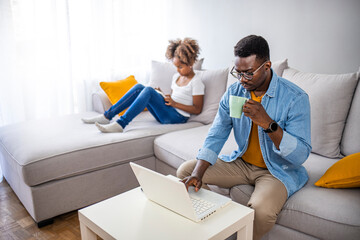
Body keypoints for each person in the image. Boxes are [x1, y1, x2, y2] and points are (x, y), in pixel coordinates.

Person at [177, 35, 311, 240]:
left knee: (262, 211)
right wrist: (197, 173)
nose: (241, 80)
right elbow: (217, 133)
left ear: (266, 66)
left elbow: (301, 154)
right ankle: (214, 230)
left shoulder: (295, 98)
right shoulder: (235, 92)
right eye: (237, 73)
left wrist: (268, 123)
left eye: (248, 73)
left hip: (277, 171)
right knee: (186, 171)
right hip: (241, 163)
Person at [82, 38, 204, 133]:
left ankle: (121, 124)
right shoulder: (176, 77)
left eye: (180, 67)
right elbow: (174, 97)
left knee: (149, 90)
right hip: (168, 111)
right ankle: (107, 116)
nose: (177, 70)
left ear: (191, 63)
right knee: (140, 87)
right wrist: (161, 95)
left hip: (178, 117)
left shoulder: (196, 81)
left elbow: (197, 109)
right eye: (176, 66)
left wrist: (174, 104)